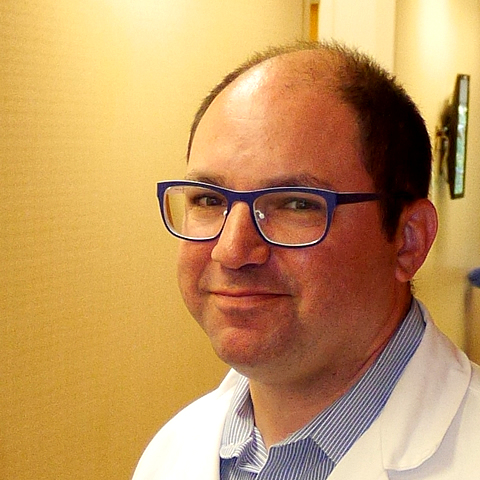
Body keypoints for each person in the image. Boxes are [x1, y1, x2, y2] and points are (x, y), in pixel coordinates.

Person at [132, 41, 480, 479]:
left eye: (296, 205)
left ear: (408, 241)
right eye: (208, 199)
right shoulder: (174, 451)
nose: (232, 251)